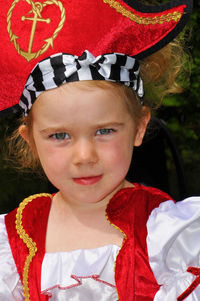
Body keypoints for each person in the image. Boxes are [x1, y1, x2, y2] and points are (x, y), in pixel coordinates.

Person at [0, 0, 195, 300]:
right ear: (31, 141)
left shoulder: (169, 238)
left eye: (104, 131)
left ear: (139, 127)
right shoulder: (13, 246)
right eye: (59, 135)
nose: (84, 156)